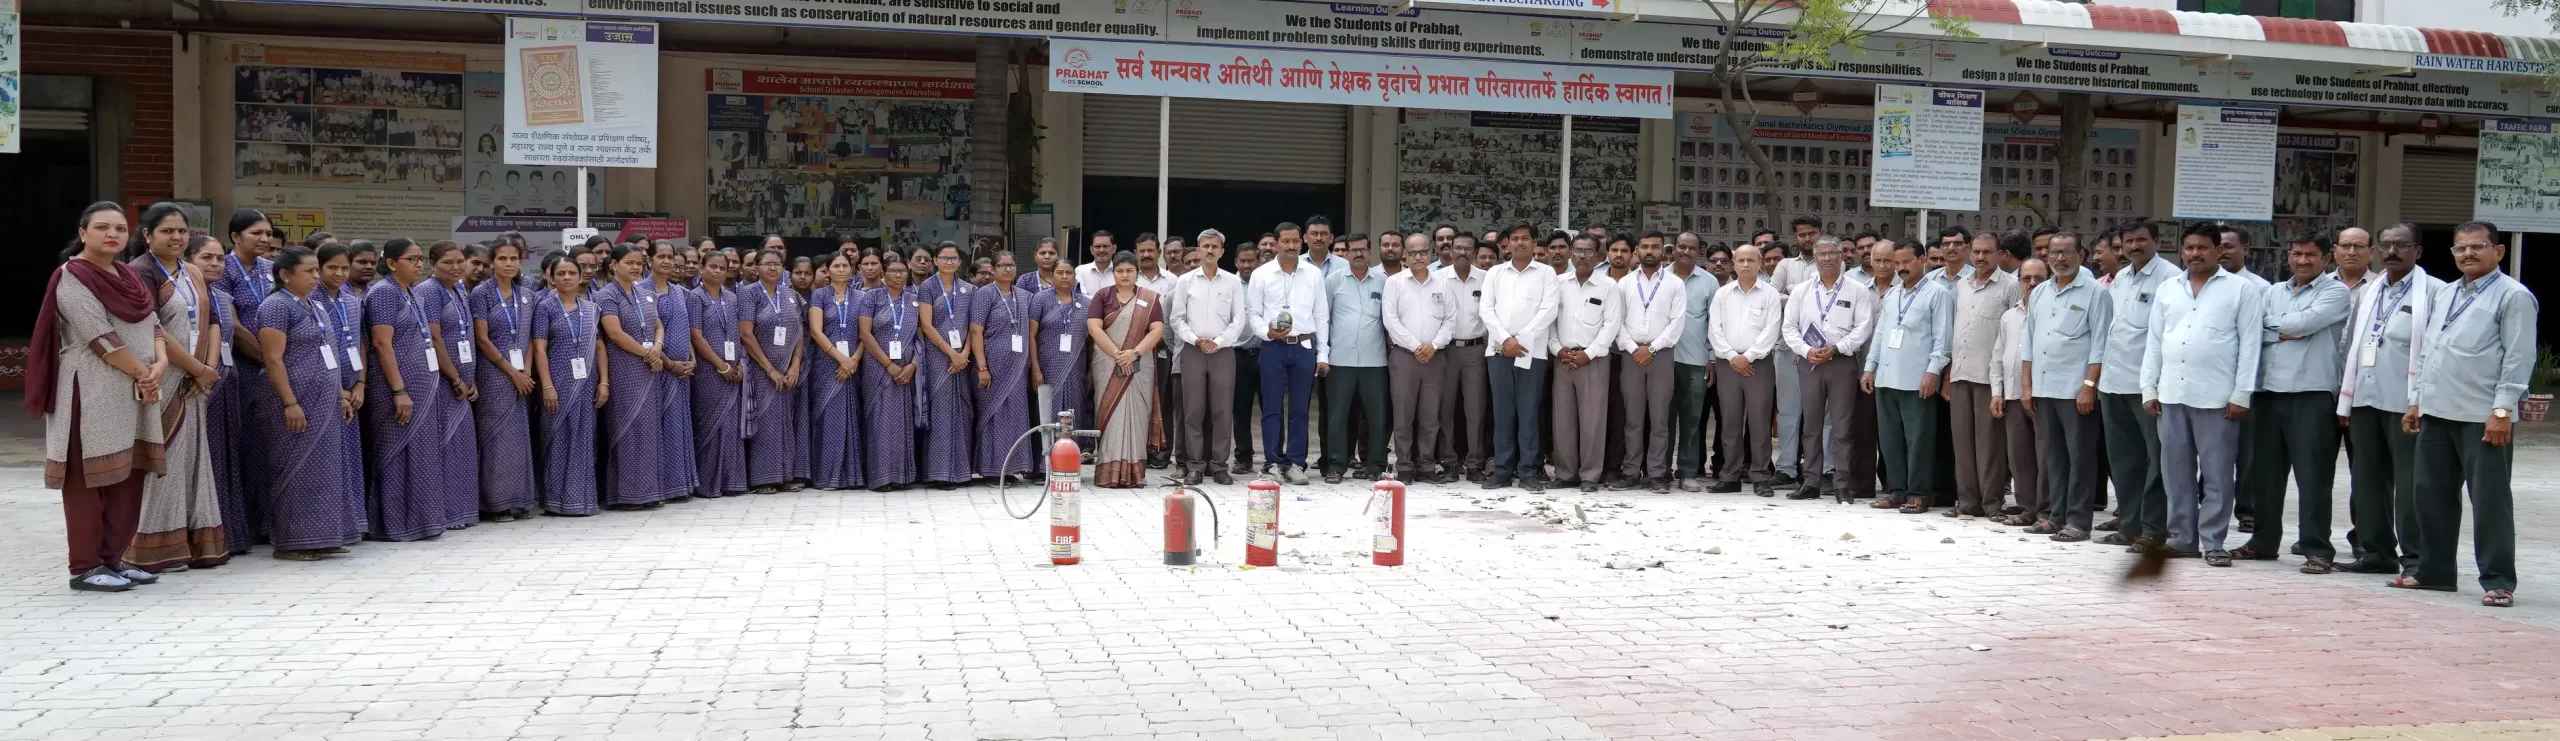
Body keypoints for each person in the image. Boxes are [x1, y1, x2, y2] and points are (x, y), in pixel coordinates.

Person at [36, 203, 171, 591]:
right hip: (91, 389)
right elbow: (99, 337)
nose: (112, 234)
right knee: (88, 479)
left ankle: (113, 559)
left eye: (119, 228)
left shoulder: (128, 275)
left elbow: (154, 326)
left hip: (137, 389)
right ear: (83, 234)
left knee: (129, 475)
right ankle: (85, 566)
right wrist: (144, 373)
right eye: (101, 227)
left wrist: (160, 365)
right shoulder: (71, 277)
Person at [2402, 221, 2532, 607]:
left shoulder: (2513, 296)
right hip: (2437, 411)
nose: (2468, 254)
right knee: (2430, 495)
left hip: (2482, 415)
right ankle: (2435, 572)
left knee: (2489, 501)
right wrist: (2416, 400)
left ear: (2499, 251)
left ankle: (2498, 580)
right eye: (2460, 249)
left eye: (2477, 246)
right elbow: (2430, 350)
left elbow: (2519, 357)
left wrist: (2502, 410)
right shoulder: (2447, 293)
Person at [2142, 223, 2266, 566]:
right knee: (2175, 473)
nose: (2195, 253)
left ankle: (2213, 542)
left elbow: (2251, 345)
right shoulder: (2169, 289)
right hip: (2171, 394)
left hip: (2218, 398)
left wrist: (2241, 394)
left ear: (2218, 251)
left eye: (2203, 247)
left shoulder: (2241, 290)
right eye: (2189, 248)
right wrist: (2149, 387)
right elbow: (2155, 340)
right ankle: (2182, 539)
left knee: (2217, 475)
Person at [2235, 231, 2352, 571]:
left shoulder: (2336, 291)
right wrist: (2284, 330)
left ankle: (2317, 548)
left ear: (2326, 258)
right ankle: (2263, 541)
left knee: (2313, 477)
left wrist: (2277, 329)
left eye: (2311, 254)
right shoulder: (2272, 292)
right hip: (2267, 393)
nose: (2303, 260)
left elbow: (2304, 324)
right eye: (2297, 253)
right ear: (2288, 256)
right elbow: (2254, 329)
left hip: (2311, 394)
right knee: (2265, 475)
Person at [121, 208, 228, 572]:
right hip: (162, 378)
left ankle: (192, 545)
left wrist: (208, 369)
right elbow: (151, 329)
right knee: (163, 460)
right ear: (148, 235)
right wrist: (197, 368)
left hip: (194, 382)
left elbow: (212, 321)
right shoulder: (140, 272)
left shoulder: (192, 271)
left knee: (191, 460)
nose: (177, 237)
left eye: (182, 231)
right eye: (167, 231)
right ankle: (155, 548)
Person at [252, 245, 364, 561]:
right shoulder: (275, 306)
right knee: (297, 470)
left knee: (324, 469)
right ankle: (293, 542)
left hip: (324, 402)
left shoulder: (314, 305)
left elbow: (328, 353)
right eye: (309, 271)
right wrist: (290, 402)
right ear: (285, 275)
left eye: (317, 270)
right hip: (295, 401)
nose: (316, 276)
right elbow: (273, 359)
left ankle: (324, 536)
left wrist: (339, 395)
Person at [2335, 223, 2436, 576]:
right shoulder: (2370, 291)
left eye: (2402, 245)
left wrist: (2420, 400)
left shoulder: (2434, 292)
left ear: (2418, 251)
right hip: (2365, 399)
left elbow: (2434, 352)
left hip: (2405, 403)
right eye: (2386, 245)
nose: (2392, 251)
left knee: (2409, 485)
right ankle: (2377, 553)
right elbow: (2352, 344)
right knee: (2367, 481)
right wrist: (2346, 398)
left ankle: (2416, 559)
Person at [2021, 234, 2108, 538]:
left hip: (2076, 390)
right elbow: (2029, 342)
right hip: (2044, 387)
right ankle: (2056, 516)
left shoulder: (2095, 293)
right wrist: (2027, 386)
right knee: (2054, 457)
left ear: (2080, 256)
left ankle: (2079, 521)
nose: (2060, 259)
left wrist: (2088, 386)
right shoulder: (2040, 293)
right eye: (2054, 253)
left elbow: (2100, 344)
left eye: (2067, 252)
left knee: (2080, 457)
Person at [2098, 221, 2179, 547]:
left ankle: (2154, 529)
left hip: (2147, 387)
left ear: (2156, 241)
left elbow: (2169, 335)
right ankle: (2129, 526)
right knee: (2123, 461)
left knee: (2155, 462)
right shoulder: (2120, 279)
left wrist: (2155, 386)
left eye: (2141, 240)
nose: (2134, 246)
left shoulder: (2171, 278)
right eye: (2128, 241)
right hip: (2112, 382)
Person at [363, 238, 448, 540]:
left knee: (422, 455)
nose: (419, 264)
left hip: (421, 387)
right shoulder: (384, 293)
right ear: (391, 263)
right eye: (412, 259)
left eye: (420, 258)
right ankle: (393, 524)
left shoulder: (413, 292)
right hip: (395, 389)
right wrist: (399, 391)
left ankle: (421, 521)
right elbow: (381, 343)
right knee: (397, 455)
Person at [1779, 236, 1873, 502]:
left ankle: (1842, 484)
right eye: (1821, 254)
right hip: (1809, 363)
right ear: (1815, 258)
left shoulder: (1857, 290)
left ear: (1842, 256)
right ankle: (1811, 482)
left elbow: (1863, 327)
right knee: (1811, 425)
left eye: (1832, 253)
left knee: (1842, 427)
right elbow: (1789, 327)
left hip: (1842, 362)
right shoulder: (1802, 290)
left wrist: (1837, 348)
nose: (1827, 258)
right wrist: (1806, 351)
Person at [1864, 240, 1954, 513]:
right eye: (1897, 263)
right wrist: (1870, 367)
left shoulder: (1937, 294)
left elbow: (1943, 338)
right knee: (1889, 439)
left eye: (1906, 262)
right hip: (1886, 377)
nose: (1901, 268)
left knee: (1919, 440)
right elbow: (1881, 333)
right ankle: (1897, 490)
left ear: (1922, 260)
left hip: (1917, 380)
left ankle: (1919, 493)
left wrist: (1933, 372)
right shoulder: (1893, 294)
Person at [1943, 231, 2023, 517]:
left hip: (1990, 378)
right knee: (1962, 443)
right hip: (1960, 374)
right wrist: (1948, 374)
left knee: (1990, 445)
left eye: (1987, 252)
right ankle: (1967, 502)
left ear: (1999, 254)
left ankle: (1991, 504)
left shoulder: (2011, 286)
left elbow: (2015, 331)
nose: (1980, 257)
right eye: (1976, 251)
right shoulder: (1961, 285)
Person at [1480, 224, 1560, 492]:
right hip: (1499, 351)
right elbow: (1486, 310)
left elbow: (1549, 310)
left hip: (1531, 352)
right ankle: (1502, 470)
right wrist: (1506, 339)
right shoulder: (1496, 273)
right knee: (1503, 413)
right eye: (1514, 239)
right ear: (1507, 244)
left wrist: (1522, 339)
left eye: (1525, 238)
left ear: (1534, 243)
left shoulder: (1546, 273)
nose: (1519, 243)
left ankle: (1528, 471)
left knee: (1529, 413)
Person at [1247, 222, 1328, 484]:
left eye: (1295, 241)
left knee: (1300, 409)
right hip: (1273, 347)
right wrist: (1266, 332)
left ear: (1301, 242)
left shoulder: (1313, 274)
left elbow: (1321, 315)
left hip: (1304, 346)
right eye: (1286, 241)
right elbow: (1253, 313)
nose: (1291, 246)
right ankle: (1272, 462)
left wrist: (1323, 354)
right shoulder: (1261, 274)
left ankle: (1295, 463)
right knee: (1271, 407)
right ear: (1276, 244)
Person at [596, 243, 674, 509]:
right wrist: (647, 352)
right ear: (614, 265)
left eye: (639, 263)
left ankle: (650, 492)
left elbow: (658, 326)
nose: (635, 267)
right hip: (624, 368)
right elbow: (614, 333)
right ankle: (627, 495)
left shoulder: (645, 293)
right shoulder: (607, 295)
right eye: (629, 262)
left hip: (649, 368)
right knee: (628, 429)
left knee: (649, 429)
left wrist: (658, 348)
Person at [1169, 231, 1246, 485]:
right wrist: (1195, 340)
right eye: (1205, 246)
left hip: (1222, 352)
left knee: (1222, 410)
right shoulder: (1186, 281)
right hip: (1193, 350)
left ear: (1222, 252)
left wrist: (1219, 342)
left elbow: (1239, 319)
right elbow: (1176, 319)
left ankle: (1220, 465)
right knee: (1193, 411)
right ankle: (1195, 466)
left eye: (1215, 246)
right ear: (1198, 250)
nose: (1210, 250)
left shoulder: (1232, 282)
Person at [469, 241, 539, 520]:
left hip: (523, 375)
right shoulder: (481, 293)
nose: (508, 263)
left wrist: (527, 371)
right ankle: (494, 504)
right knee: (496, 437)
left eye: (513, 258)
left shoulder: (527, 295)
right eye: (502, 258)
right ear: (492, 262)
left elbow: (531, 337)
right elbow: (481, 338)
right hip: (494, 373)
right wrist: (513, 372)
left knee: (518, 437)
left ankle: (519, 500)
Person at [1611, 232, 1685, 493]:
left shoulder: (1675, 284)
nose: (1649, 251)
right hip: (1631, 355)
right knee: (1632, 418)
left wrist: (1652, 348)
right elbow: (1616, 321)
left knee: (1660, 419)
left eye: (1655, 246)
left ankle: (1657, 473)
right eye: (1644, 246)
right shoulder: (1625, 284)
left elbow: (1677, 323)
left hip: (1661, 354)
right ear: (1637, 251)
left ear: (1663, 251)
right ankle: (1631, 471)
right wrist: (1634, 348)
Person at [530, 253, 602, 515]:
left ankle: (582, 500)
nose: (567, 277)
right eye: (561, 273)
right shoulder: (545, 307)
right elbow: (539, 348)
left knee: (583, 439)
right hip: (557, 383)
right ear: (551, 278)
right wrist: (547, 385)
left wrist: (604, 382)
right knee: (557, 438)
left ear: (580, 276)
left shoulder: (592, 309)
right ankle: (556, 501)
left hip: (586, 382)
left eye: (572, 272)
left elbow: (599, 347)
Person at [1086, 252, 1166, 488]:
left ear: (1136, 273)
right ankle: (1108, 473)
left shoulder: (1149, 298)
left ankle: (1134, 474)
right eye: (1120, 271)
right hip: (1108, 364)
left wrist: (1135, 353)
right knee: (1110, 414)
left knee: (1138, 416)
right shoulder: (1103, 296)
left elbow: (1157, 330)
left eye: (1129, 271)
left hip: (1139, 366)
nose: (1124, 275)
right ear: (1114, 273)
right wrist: (1117, 354)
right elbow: (1094, 328)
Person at [1709, 242, 1783, 496]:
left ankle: (1760, 475)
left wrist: (1748, 357)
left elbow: (1771, 330)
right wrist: (1733, 357)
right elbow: (1714, 329)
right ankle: (1730, 476)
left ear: (1759, 263)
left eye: (1751, 260)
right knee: (1729, 422)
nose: (1745, 265)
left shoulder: (1770, 294)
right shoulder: (1723, 294)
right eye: (1740, 260)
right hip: (1728, 363)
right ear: (1733, 264)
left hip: (1758, 364)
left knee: (1759, 422)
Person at [1384, 233, 1456, 484]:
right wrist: (1416, 346)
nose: (1418, 257)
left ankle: (1426, 465)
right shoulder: (1394, 283)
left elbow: (1450, 320)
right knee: (1403, 415)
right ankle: (1404, 466)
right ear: (1405, 254)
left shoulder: (1442, 283)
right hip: (1405, 357)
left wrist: (1434, 346)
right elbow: (1391, 320)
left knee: (1430, 416)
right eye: (1413, 253)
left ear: (1430, 253)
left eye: (1423, 252)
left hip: (1435, 358)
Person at [421, 242, 481, 529]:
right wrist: (455, 377)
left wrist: (470, 378)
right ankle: (446, 511)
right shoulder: (429, 291)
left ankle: (462, 510)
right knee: (445, 446)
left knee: (462, 447)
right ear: (433, 263)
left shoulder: (459, 290)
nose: (456, 267)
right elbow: (434, 339)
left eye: (460, 261)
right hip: (444, 381)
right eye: (448, 262)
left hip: (463, 380)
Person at [1319, 234, 1389, 484]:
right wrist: (1323, 353)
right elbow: (1323, 319)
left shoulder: (1383, 282)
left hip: (1375, 360)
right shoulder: (1333, 280)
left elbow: (1388, 319)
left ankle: (1376, 465)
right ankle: (1336, 465)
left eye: (1363, 250)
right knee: (1337, 416)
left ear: (1370, 253)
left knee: (1377, 416)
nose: (1358, 254)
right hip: (1340, 359)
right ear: (1346, 253)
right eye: (1353, 250)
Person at [737, 249, 807, 494]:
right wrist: (770, 370)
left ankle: (785, 474)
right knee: (765, 422)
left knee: (785, 421)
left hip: (788, 371)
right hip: (761, 370)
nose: (773, 268)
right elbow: (746, 334)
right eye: (767, 263)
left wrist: (795, 364)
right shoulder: (748, 294)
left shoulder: (791, 295)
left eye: (777, 264)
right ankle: (763, 478)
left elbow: (799, 332)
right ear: (756, 267)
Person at [971, 252, 1042, 481]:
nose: (1008, 269)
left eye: (1011, 265)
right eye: (1002, 266)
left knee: (1015, 417)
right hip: (993, 365)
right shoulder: (984, 295)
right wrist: (982, 367)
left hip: (1018, 367)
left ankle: (1011, 469)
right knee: (994, 417)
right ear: (992, 269)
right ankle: (992, 470)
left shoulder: (1024, 296)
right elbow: (976, 332)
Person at [1988, 258, 2047, 528]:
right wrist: (1996, 391)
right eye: (2026, 278)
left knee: (2044, 455)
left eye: (2038, 278)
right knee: (2019, 455)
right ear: (2019, 280)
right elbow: (1998, 356)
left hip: (2043, 395)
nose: (2032, 283)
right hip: (2012, 395)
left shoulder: (2051, 312)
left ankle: (2047, 510)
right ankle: (2027, 507)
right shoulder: (2009, 316)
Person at [1767, 217, 1823, 488]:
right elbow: (1769, 294)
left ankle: (1822, 469)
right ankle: (1786, 469)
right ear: (1795, 237)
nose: (1807, 238)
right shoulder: (1786, 265)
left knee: (1820, 413)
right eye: (1802, 234)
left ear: (1820, 233)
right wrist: (1797, 299)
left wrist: (1792, 296)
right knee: (1788, 411)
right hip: (1788, 346)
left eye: (1812, 233)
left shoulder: (1831, 262)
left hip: (1821, 350)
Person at [915, 242, 977, 487]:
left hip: (963, 359)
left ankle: (961, 472)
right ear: (935, 260)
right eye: (944, 258)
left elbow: (974, 326)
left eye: (953, 259)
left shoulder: (969, 289)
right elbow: (926, 325)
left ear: (959, 262)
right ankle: (939, 472)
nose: (949, 263)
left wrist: (965, 353)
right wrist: (951, 353)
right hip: (937, 357)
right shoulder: (927, 287)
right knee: (940, 412)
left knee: (962, 412)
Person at [689, 250, 748, 499]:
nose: (718, 271)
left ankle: (731, 481)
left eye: (722, 268)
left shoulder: (733, 298)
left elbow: (740, 333)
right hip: (709, 370)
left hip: (733, 369)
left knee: (732, 425)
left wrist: (740, 363)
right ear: (701, 268)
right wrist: (720, 365)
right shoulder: (695, 297)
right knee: (711, 425)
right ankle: (708, 484)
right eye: (712, 266)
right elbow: (696, 336)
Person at [807, 251, 868, 490]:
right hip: (827, 365)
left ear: (852, 270)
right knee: (828, 418)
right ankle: (827, 476)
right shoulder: (819, 295)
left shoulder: (862, 297)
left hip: (854, 365)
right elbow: (816, 331)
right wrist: (841, 359)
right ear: (828, 270)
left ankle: (851, 476)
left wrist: (853, 360)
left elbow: (866, 334)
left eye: (845, 265)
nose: (841, 269)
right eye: (836, 266)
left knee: (852, 417)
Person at [860, 256, 921, 491]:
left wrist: (912, 365)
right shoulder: (872, 298)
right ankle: (881, 477)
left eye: (902, 271)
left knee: (902, 421)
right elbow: (865, 334)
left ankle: (902, 476)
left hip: (906, 370)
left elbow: (920, 337)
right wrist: (887, 363)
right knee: (880, 420)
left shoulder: (914, 300)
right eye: (893, 271)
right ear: (884, 274)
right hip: (877, 367)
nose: (898, 275)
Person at [1434, 233, 1491, 482]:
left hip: (1475, 350)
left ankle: (1475, 463)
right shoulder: (1438, 279)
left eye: (1467, 249)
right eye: (1457, 248)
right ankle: (1449, 462)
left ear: (1475, 252)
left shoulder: (1486, 279)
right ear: (1450, 250)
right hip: (1446, 350)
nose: (1462, 253)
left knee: (1475, 410)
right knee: (1445, 409)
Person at [1668, 232, 1722, 492]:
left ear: (1699, 252)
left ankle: (1687, 472)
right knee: (1663, 419)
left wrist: (1712, 357)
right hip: (1663, 359)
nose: (1686, 252)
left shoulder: (1709, 282)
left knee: (1692, 420)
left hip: (1696, 360)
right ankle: (1660, 470)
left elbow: (1715, 322)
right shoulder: (1661, 278)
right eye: (1682, 246)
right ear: (1673, 249)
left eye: (1692, 248)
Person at [649, 243, 702, 502]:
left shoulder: (682, 292)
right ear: (649, 260)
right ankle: (660, 486)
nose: (667, 261)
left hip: (683, 372)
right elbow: (646, 333)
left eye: (670, 257)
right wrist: (670, 363)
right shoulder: (642, 291)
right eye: (661, 256)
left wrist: (692, 359)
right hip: (657, 370)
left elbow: (687, 330)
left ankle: (679, 485)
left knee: (678, 427)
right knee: (659, 428)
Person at [1037, 260, 1091, 433]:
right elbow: (1030, 335)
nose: (1065, 276)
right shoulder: (1040, 300)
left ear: (1075, 276)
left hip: (1077, 367)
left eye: (1069, 273)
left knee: (1075, 408)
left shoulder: (1086, 304)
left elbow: (1091, 340)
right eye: (1060, 272)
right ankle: (1047, 449)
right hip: (1047, 367)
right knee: (1048, 410)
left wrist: (1090, 371)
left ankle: (1074, 446)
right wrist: (1035, 369)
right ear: (1052, 275)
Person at [1230, 238, 1266, 471]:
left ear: (1258, 261)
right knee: (1240, 409)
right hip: (1238, 355)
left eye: (1251, 261)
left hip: (1265, 353)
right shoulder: (1229, 285)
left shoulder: (1266, 282)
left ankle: (1273, 457)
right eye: (1242, 261)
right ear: (1236, 262)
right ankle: (1243, 458)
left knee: (1270, 408)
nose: (1246, 265)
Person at [1075, 230, 1118, 296]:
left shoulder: (1121, 272)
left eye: (1105, 246)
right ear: (1091, 250)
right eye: (1097, 247)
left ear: (1114, 249)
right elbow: (1081, 298)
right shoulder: (1081, 271)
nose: (1101, 250)